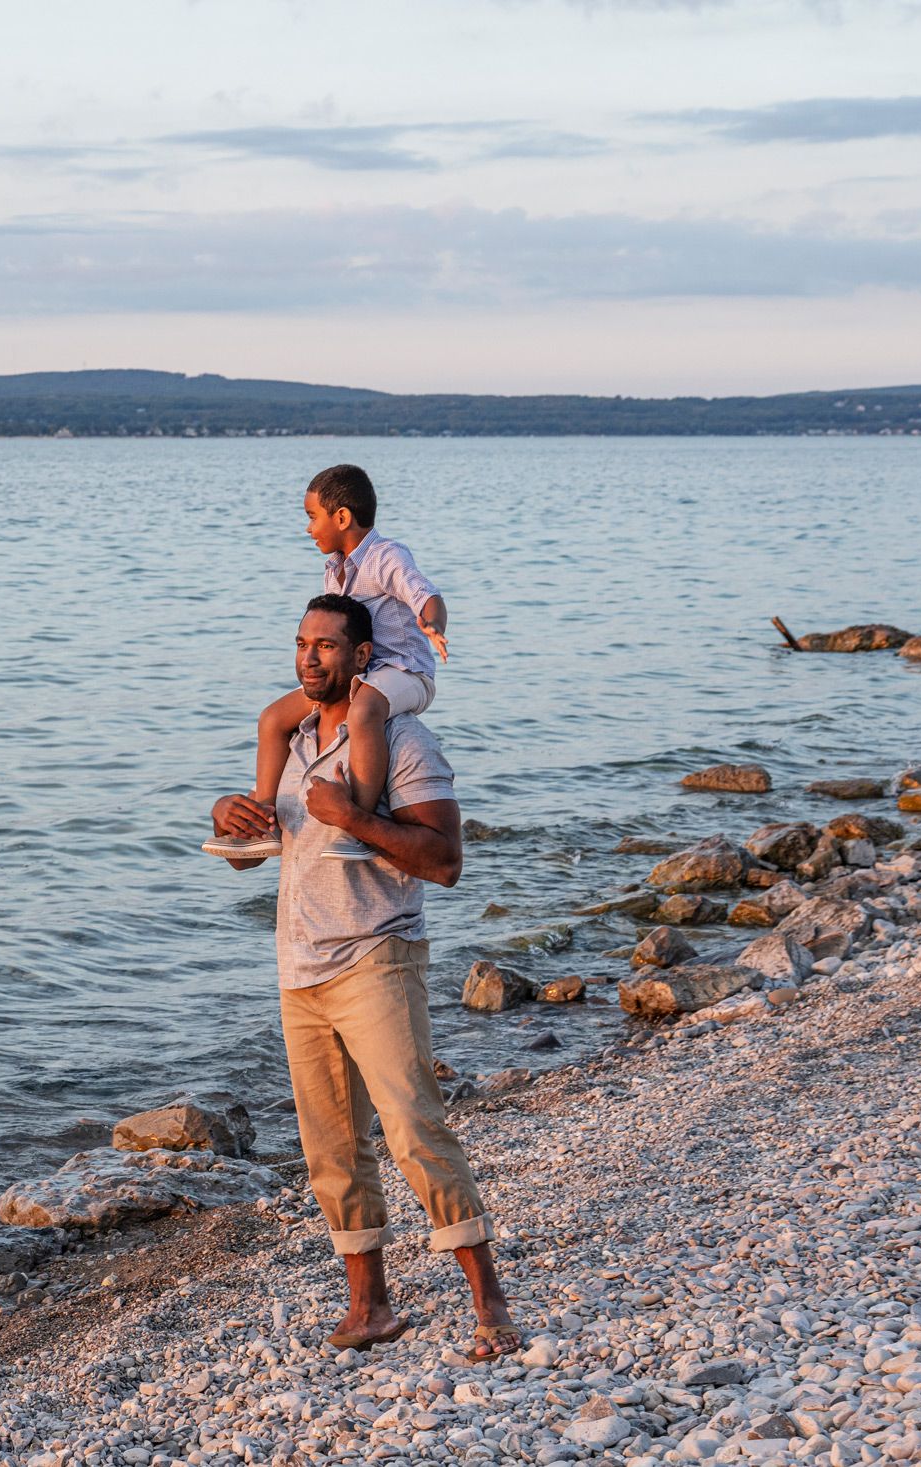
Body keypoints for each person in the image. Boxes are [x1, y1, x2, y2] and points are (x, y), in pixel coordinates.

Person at [209, 593, 520, 1362]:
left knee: (414, 1128)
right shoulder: (294, 740)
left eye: (326, 646)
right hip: (300, 966)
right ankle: (370, 1307)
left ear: (360, 657)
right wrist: (230, 816)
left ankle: (491, 1303)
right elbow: (271, 845)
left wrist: (355, 817)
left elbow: (444, 861)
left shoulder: (405, 741)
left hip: (378, 955)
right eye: (301, 643)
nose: (310, 657)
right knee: (331, 1148)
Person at [203, 464, 447, 863]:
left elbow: (424, 593)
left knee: (366, 709)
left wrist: (432, 624)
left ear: (342, 517)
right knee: (272, 718)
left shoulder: (386, 556)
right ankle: (261, 823)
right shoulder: (334, 569)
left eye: (312, 517)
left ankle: (357, 826)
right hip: (360, 673)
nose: (308, 528)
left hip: (405, 672)